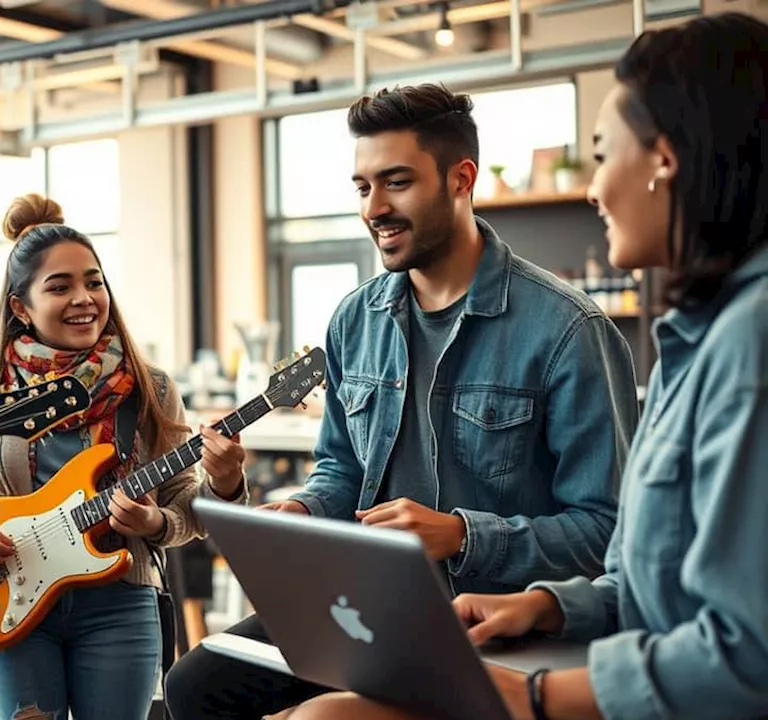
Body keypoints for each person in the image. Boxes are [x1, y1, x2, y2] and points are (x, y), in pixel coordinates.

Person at [288, 12, 768, 720]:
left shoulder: (719, 343)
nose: (595, 189)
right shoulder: (691, 342)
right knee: (206, 683)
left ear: (665, 160)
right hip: (427, 613)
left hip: (612, 675)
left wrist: (534, 691)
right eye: (363, 187)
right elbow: (639, 580)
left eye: (604, 156)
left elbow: (733, 649)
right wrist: (543, 606)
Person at [164, 83, 640, 719]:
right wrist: (304, 512)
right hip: (366, 608)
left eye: (396, 183)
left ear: (460, 179)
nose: (374, 208)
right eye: (363, 187)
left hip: (497, 621)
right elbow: (343, 470)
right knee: (194, 687)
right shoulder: (354, 320)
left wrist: (463, 535)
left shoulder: (567, 332)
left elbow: (608, 532)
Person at [0, 194, 249, 720]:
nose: (84, 298)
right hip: (9, 600)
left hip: (121, 603)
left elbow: (187, 505)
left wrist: (203, 494)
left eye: (93, 282)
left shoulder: (149, 388)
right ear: (20, 308)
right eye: (60, 286)